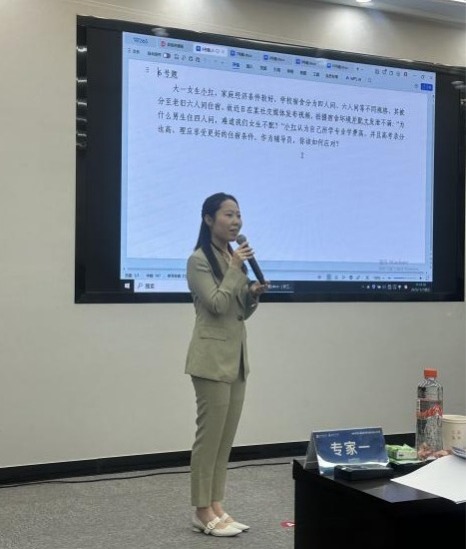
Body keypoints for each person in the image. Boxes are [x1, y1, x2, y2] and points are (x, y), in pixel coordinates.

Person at [185, 192, 268, 537]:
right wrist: (235, 270)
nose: (236, 221)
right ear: (209, 219)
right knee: (209, 439)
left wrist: (253, 296)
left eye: (238, 215)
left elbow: (237, 312)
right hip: (210, 360)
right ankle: (201, 510)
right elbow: (216, 305)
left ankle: (216, 504)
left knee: (224, 439)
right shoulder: (198, 260)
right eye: (228, 215)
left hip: (236, 360)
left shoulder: (230, 257)